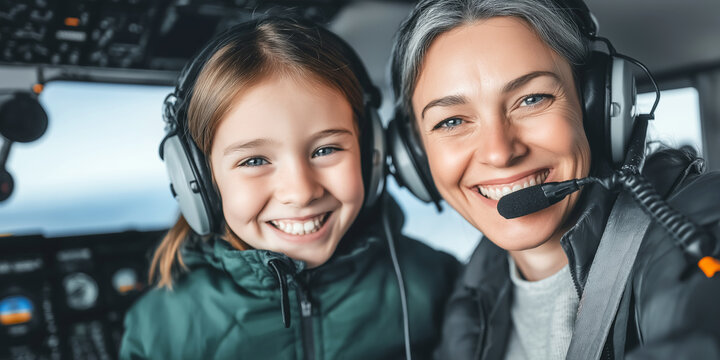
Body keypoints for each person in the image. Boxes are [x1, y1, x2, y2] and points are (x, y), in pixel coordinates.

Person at [389, 0, 720, 359]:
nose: (500, 152)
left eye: (531, 99)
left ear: (596, 105)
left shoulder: (694, 226)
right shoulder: (466, 301)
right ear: (416, 158)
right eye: (451, 121)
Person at [119, 16, 458, 359]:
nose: (301, 192)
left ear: (372, 152)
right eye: (254, 161)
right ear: (199, 181)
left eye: (326, 150)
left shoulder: (437, 283)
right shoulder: (159, 330)